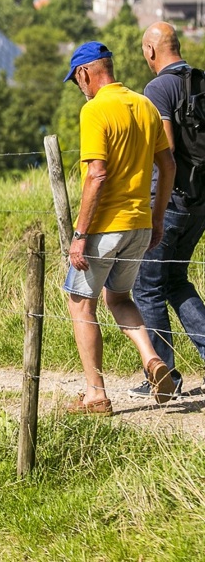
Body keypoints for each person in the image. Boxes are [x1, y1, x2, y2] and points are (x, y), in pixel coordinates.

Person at [62, 41, 177, 414]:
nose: (79, 88)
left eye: (76, 80)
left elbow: (96, 174)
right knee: (120, 298)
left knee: (80, 303)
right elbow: (168, 165)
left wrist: (80, 235)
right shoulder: (144, 105)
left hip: (105, 227)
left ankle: (95, 393)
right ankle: (152, 359)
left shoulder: (95, 109)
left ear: (85, 73)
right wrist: (156, 217)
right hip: (139, 224)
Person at [129, 21, 205, 400]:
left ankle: (165, 379)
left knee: (147, 288)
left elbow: (166, 149)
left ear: (150, 50)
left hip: (171, 201)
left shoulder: (158, 88)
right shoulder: (201, 81)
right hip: (200, 203)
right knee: (176, 282)